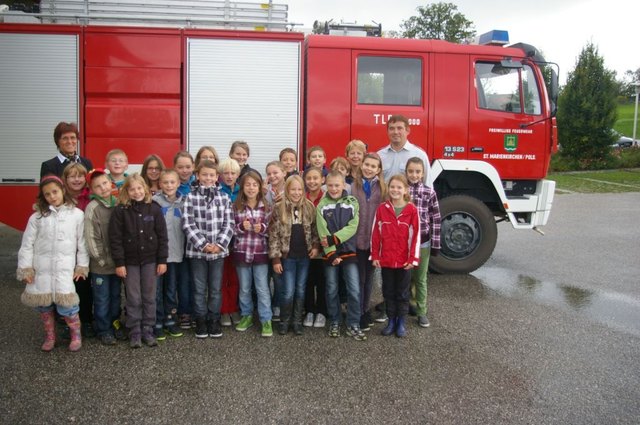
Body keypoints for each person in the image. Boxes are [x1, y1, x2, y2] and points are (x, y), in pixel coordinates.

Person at [17, 175, 89, 352]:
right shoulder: (37, 218)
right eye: (47, 194)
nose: (52, 197)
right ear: (43, 196)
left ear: (63, 190)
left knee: (69, 307)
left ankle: (75, 335)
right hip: (41, 271)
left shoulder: (77, 215)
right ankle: (50, 336)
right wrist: (26, 268)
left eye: (55, 192)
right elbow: (27, 245)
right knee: (45, 307)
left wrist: (81, 266)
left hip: (64, 271)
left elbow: (82, 244)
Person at [109, 174, 168, 348]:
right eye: (132, 189)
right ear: (126, 191)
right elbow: (115, 239)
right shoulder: (120, 211)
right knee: (134, 297)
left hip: (150, 261)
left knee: (150, 296)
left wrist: (162, 260)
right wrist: (119, 263)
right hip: (130, 262)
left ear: (146, 188)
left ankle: (148, 329)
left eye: (139, 188)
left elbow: (162, 237)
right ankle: (134, 330)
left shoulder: (154, 209)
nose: (136, 192)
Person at [182, 160, 234, 339]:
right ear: (198, 176)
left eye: (212, 175)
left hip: (218, 252)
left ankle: (214, 319)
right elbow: (188, 223)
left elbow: (229, 224)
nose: (208, 178)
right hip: (197, 252)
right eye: (204, 175)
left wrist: (219, 245)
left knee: (215, 288)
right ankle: (201, 320)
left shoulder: (224, 197)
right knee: (199, 288)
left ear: (216, 176)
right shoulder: (190, 197)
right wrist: (203, 245)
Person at [316, 171, 366, 340]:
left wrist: (334, 238)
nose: (334, 188)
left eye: (337, 185)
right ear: (326, 185)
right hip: (330, 255)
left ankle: (353, 323)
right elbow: (323, 233)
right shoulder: (322, 206)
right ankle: (335, 320)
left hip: (349, 252)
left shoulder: (352, 202)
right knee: (331, 289)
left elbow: (353, 227)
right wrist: (331, 254)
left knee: (354, 290)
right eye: (330, 185)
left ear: (344, 185)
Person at [370, 174, 420, 338]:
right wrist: (375, 255)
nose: (395, 190)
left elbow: (416, 236)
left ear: (405, 190)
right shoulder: (382, 209)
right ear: (388, 189)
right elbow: (375, 234)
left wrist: (413, 258)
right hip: (386, 260)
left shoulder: (412, 210)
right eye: (392, 187)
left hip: (404, 262)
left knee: (403, 293)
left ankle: (401, 323)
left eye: (399, 187)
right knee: (388, 292)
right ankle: (391, 321)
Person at [269, 175, 320, 335]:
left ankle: (297, 321)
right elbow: (274, 235)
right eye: (293, 189)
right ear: (287, 190)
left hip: (304, 256)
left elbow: (314, 230)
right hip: (287, 257)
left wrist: (316, 246)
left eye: (299, 189)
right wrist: (276, 258)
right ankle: (285, 321)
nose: (296, 193)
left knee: (300, 289)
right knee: (288, 290)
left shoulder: (309, 207)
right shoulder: (279, 208)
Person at [233, 171, 273, 337]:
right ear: (242, 187)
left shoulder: (267, 207)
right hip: (242, 252)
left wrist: (262, 229)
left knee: (262, 288)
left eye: (254, 185)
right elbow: (230, 229)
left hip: (260, 253)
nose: (251, 188)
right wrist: (241, 227)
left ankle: (266, 319)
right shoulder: (236, 207)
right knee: (244, 288)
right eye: (247, 184)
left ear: (260, 187)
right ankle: (246, 315)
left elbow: (272, 229)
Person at [84, 168, 121, 345]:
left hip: (118, 264)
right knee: (102, 298)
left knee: (116, 296)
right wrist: (101, 260)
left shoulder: (118, 203)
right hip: (101, 266)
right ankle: (103, 328)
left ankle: (115, 324)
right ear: (92, 190)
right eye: (98, 186)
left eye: (105, 183)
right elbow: (91, 238)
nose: (103, 188)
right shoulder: (92, 208)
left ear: (111, 182)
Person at [350, 153, 387, 331]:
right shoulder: (353, 187)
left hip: (374, 243)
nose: (369, 168)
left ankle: (365, 311)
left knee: (369, 278)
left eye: (373, 166)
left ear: (378, 170)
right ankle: (356, 312)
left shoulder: (383, 189)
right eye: (366, 164)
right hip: (356, 241)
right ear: (361, 164)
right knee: (358, 279)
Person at [406, 157, 441, 328]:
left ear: (423, 173)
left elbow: (435, 218)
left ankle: (421, 311)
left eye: (417, 171)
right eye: (411, 171)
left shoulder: (429, 192)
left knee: (420, 278)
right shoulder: (401, 190)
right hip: (403, 243)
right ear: (406, 172)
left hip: (423, 243)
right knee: (402, 277)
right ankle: (397, 307)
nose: (414, 174)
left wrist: (435, 244)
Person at [152, 169, 186, 340]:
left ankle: (170, 319)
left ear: (178, 183)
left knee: (171, 290)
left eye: (172, 182)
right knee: (156, 290)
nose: (169, 185)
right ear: (160, 184)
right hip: (158, 257)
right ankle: (157, 321)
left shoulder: (184, 202)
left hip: (176, 255)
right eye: (165, 182)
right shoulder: (154, 202)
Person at [62, 163, 94, 337]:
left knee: (84, 287)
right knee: (67, 287)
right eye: (72, 176)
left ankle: (87, 320)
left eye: (80, 176)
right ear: (65, 179)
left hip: (86, 250)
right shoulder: (61, 198)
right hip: (66, 250)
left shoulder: (91, 197)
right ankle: (69, 321)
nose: (76, 180)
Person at [377, 115, 433, 187]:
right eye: (392, 128)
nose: (395, 132)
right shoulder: (380, 155)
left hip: (410, 198)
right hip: (385, 198)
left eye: (399, 128)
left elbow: (428, 185)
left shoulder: (419, 155)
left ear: (408, 131)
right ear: (387, 131)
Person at [302, 166, 327, 328]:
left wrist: (318, 245)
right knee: (308, 281)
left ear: (322, 180)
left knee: (323, 281)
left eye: (315, 178)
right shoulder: (301, 197)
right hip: (305, 248)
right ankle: (309, 310)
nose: (312, 181)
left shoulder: (327, 198)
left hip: (323, 247)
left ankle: (322, 312)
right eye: (309, 178)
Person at [218, 158, 241, 327]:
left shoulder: (242, 191)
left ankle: (234, 308)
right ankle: (223, 310)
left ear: (238, 174)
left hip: (239, 242)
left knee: (235, 278)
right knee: (221, 278)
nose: (229, 176)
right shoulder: (218, 191)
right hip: (221, 241)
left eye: (233, 173)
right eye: (226, 173)